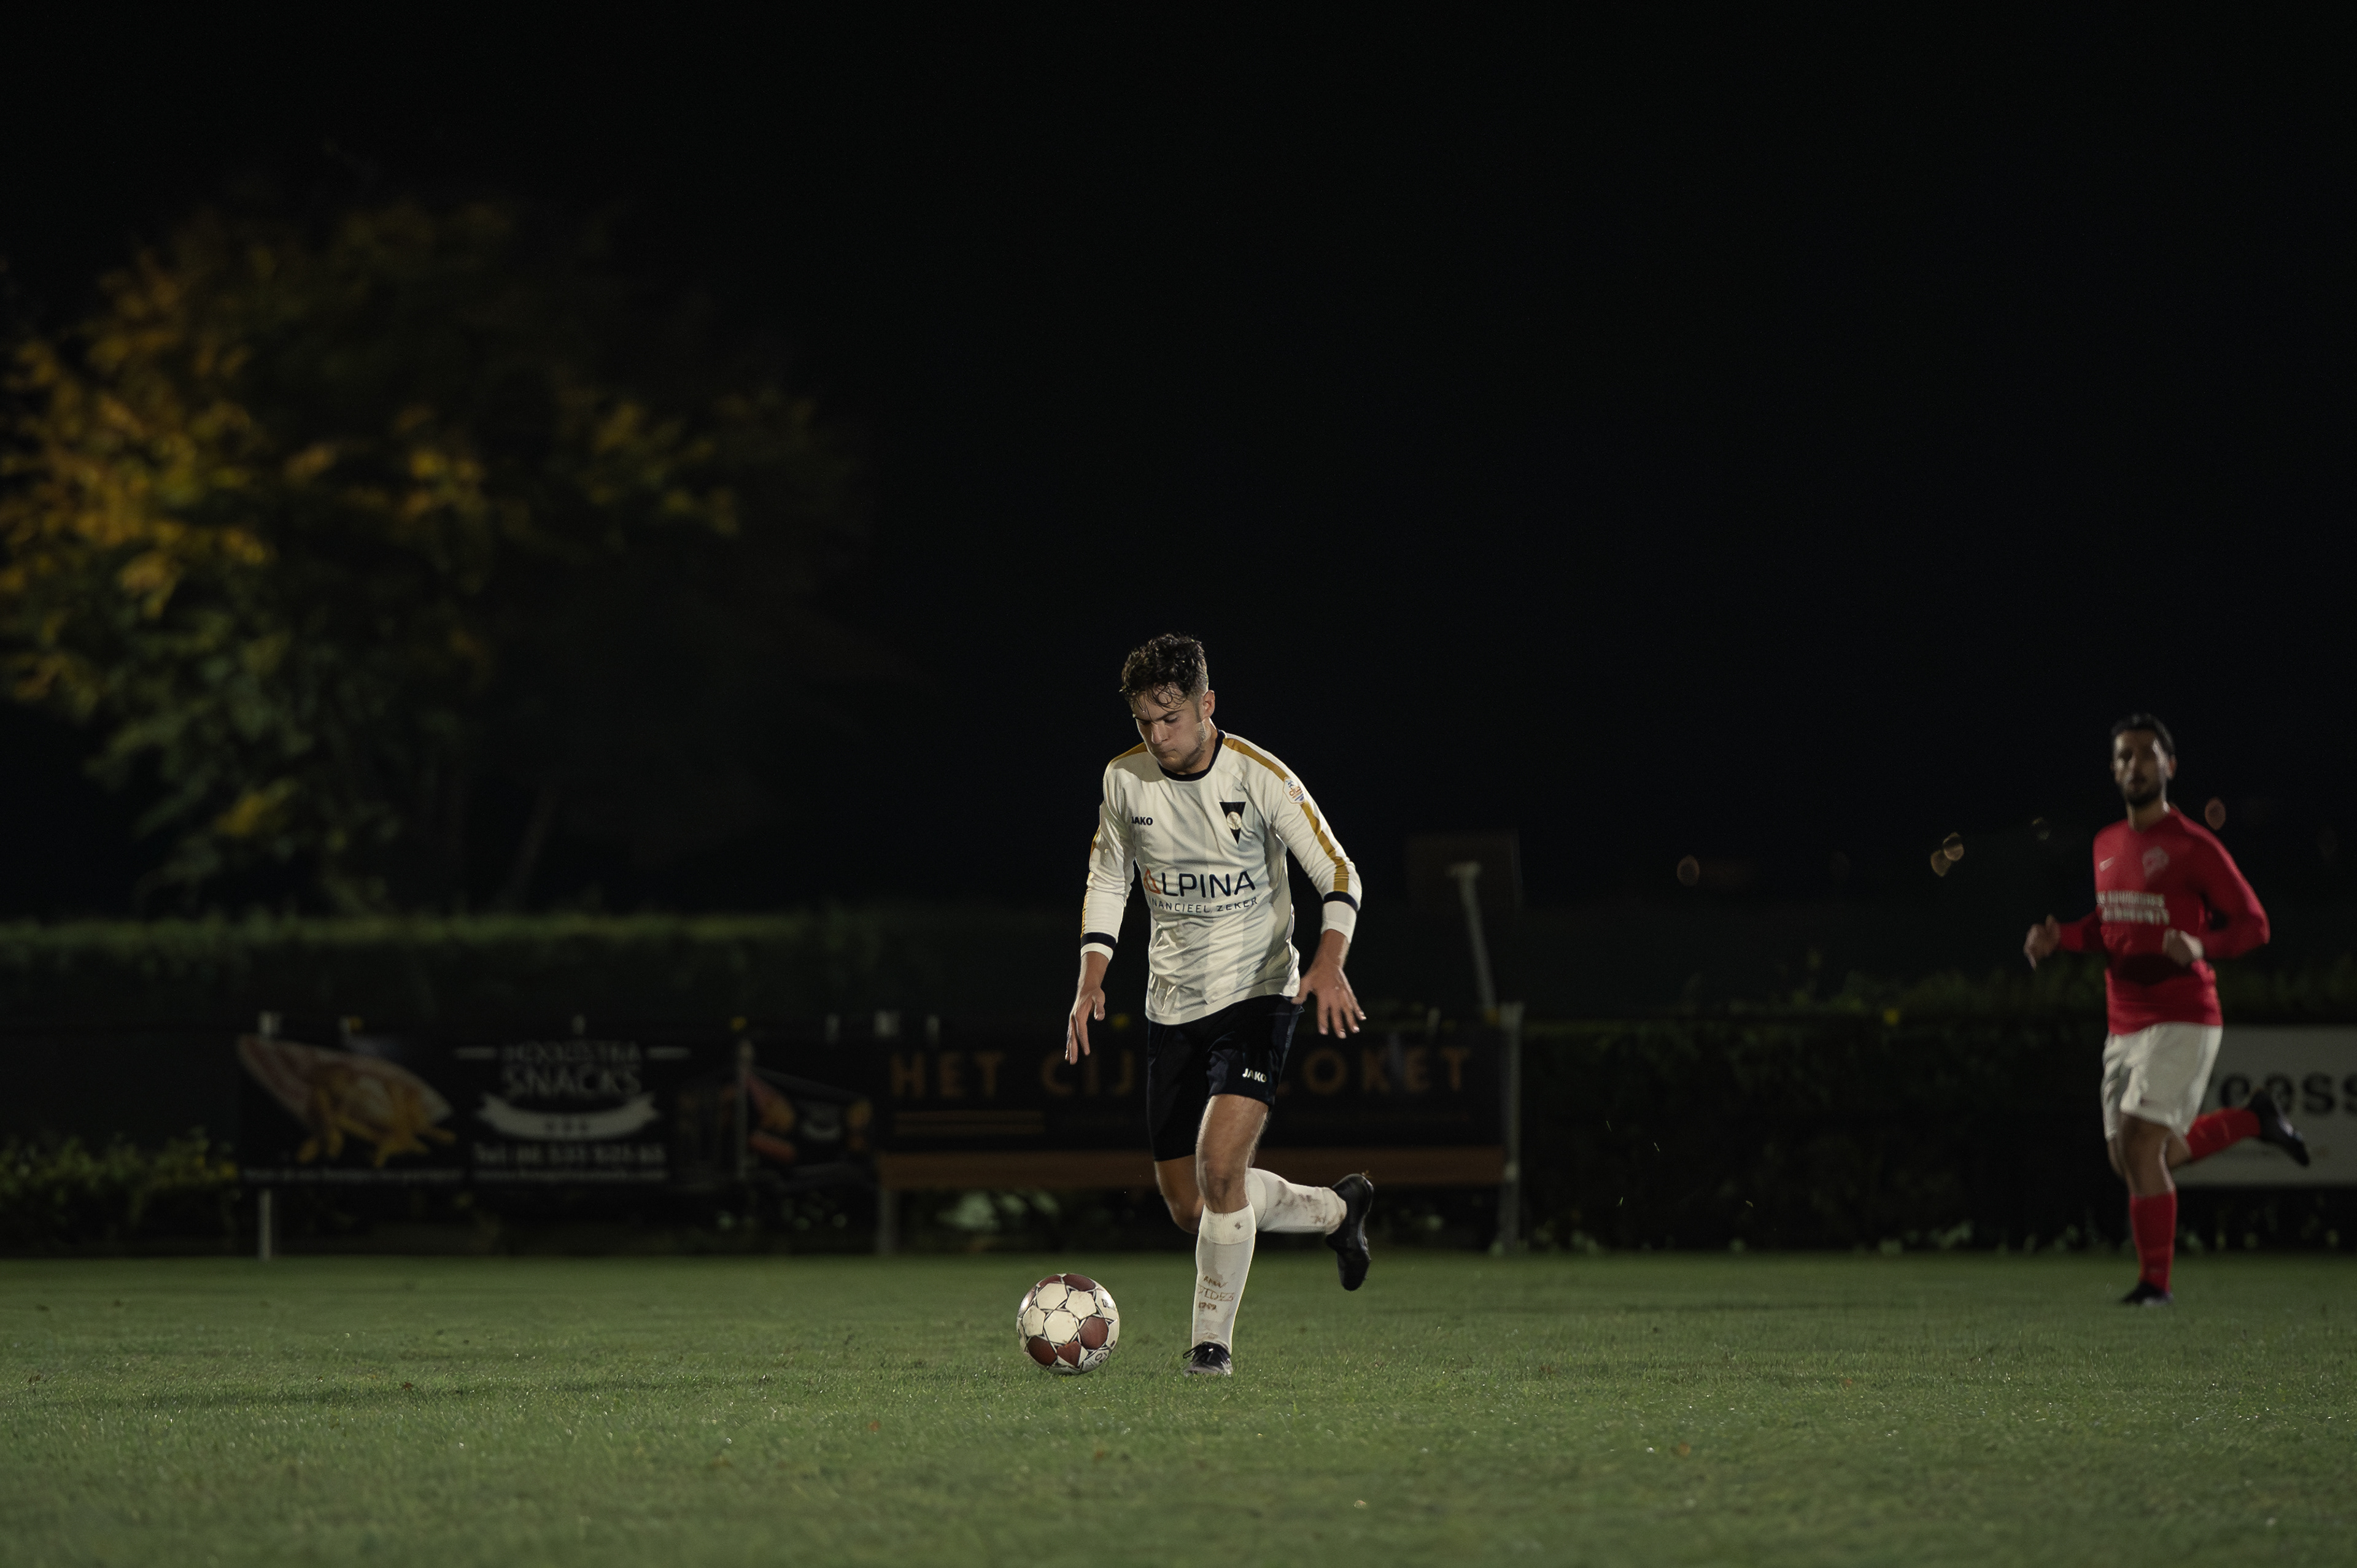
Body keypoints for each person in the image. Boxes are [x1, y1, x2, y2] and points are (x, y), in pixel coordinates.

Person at [1067, 633, 1375, 1377]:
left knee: (1219, 1167)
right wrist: (1090, 976)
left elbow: (1339, 873)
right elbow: (1108, 878)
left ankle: (1211, 1346)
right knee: (1193, 1206)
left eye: (1170, 717)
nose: (1157, 735)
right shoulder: (1124, 779)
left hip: (1258, 994)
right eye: (1144, 721)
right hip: (1171, 1005)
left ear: (1207, 704)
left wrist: (1329, 960)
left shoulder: (1259, 777)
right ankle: (1339, 1211)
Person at [2024, 713, 2309, 1305]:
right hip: (2123, 1022)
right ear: (2113, 770)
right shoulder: (2106, 843)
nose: (2136, 765)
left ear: (2170, 766)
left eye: (2147, 754)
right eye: (2124, 756)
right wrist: (2062, 938)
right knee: (2133, 1157)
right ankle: (2254, 1120)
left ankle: (2155, 1286)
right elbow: (2111, 924)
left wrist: (2201, 946)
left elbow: (2255, 925)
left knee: (2139, 1144)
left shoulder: (2193, 845)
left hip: (2183, 1016)